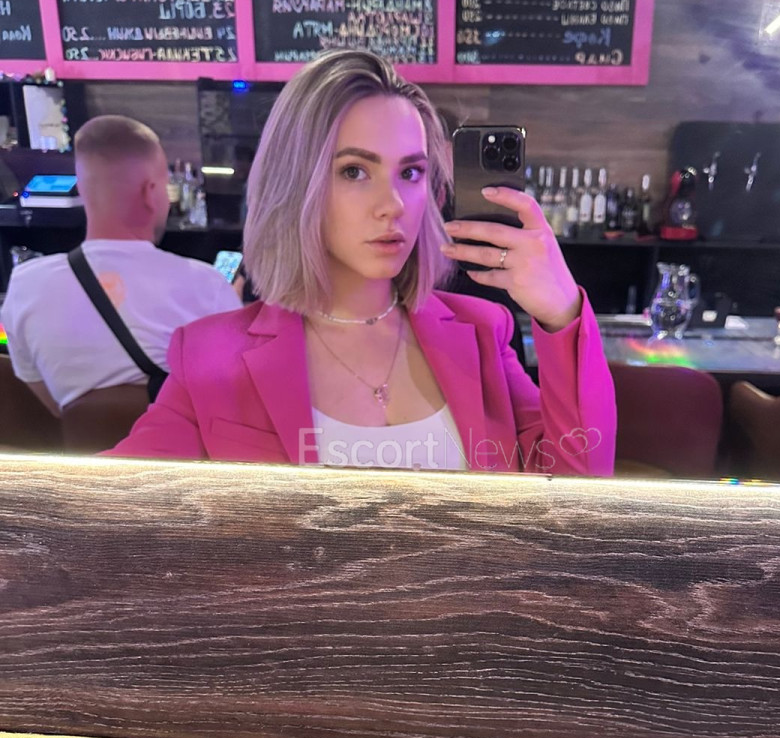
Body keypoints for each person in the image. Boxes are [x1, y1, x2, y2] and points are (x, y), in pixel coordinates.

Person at [107, 50, 616, 474]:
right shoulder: (210, 356)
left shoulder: (483, 332)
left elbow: (579, 485)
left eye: (410, 173)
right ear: (296, 182)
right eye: (354, 171)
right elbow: (100, 507)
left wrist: (562, 313)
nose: (392, 204)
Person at [1, 116, 241, 416]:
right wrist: (238, 313)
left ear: (83, 189)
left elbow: (51, 404)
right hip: (183, 444)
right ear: (150, 192)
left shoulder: (25, 285)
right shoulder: (207, 286)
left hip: (81, 447)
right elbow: (236, 394)